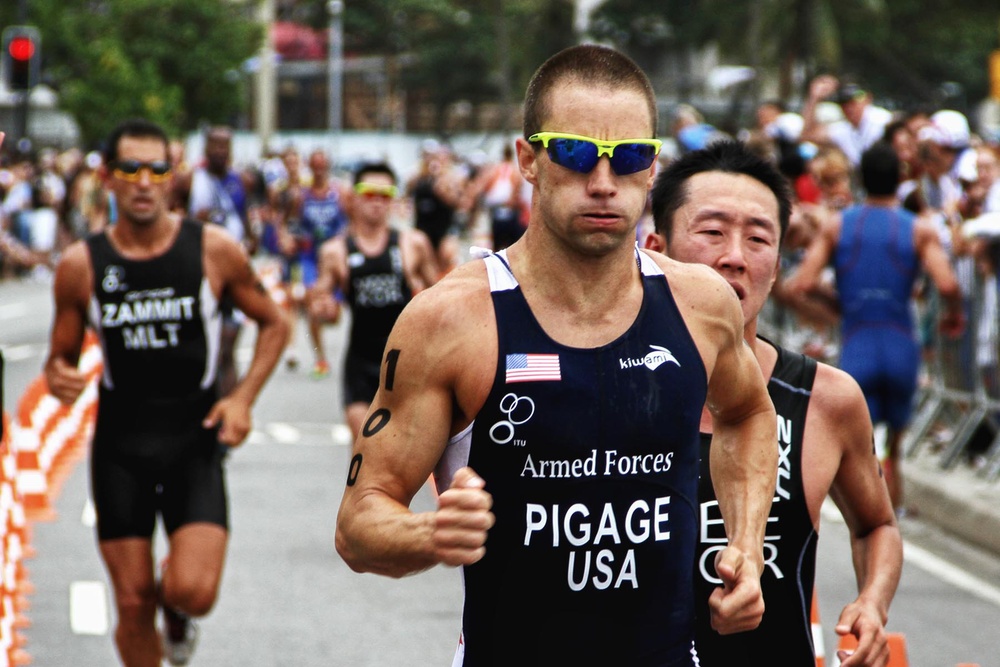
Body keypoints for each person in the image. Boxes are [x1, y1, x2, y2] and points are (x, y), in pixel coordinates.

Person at [336, 44, 778, 666]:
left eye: (628, 158)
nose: (602, 183)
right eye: (574, 153)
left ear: (652, 168)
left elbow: (749, 415)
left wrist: (747, 546)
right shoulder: (453, 320)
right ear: (528, 159)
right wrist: (430, 533)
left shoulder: (700, 304)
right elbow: (359, 523)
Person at [646, 140, 902, 666]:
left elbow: (876, 525)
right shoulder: (601, 381)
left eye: (758, 238)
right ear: (655, 248)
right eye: (712, 232)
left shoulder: (826, 398)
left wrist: (872, 604)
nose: (735, 257)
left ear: (778, 264)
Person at [44, 118, 288, 667]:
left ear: (173, 177)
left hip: (193, 440)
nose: (144, 181)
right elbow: (60, 355)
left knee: (192, 590)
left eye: (158, 168)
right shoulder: (82, 265)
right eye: (130, 168)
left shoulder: (212, 250)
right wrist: (59, 372)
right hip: (121, 445)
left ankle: (176, 615)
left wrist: (243, 398)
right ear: (107, 177)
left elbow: (275, 322)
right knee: (132, 603)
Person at [788, 141, 965, 512]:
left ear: (860, 179)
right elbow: (948, 284)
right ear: (900, 177)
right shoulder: (918, 228)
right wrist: (953, 314)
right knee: (892, 454)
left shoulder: (839, 225)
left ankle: (865, 538)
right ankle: (891, 530)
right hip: (901, 344)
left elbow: (801, 283)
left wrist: (836, 306)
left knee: (858, 456)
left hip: (858, 343)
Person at [311, 162, 437, 440]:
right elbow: (324, 310)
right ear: (353, 197)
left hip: (405, 362)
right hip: (360, 362)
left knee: (401, 453)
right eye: (369, 193)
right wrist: (325, 311)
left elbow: (442, 297)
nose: (377, 202)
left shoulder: (412, 244)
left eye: (385, 194)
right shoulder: (335, 251)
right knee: (362, 444)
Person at [188, 125, 256, 397]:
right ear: (205, 148)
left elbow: (248, 222)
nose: (219, 152)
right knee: (202, 347)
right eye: (214, 146)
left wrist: (249, 243)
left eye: (224, 146)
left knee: (228, 345)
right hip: (199, 270)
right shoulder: (190, 181)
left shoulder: (242, 181)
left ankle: (228, 410)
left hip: (233, 273)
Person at [295, 148, 350, 378]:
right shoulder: (302, 196)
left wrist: (341, 241)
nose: (318, 170)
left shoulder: (339, 194)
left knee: (333, 315)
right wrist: (293, 239)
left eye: (322, 166)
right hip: (309, 260)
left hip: (334, 259)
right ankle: (320, 359)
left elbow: (349, 224)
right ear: (309, 167)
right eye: (314, 166)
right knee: (313, 306)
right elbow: (291, 224)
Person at [801, 76, 892, 168]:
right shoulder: (844, 128)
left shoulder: (882, 120)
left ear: (868, 98)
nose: (849, 108)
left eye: (854, 101)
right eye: (844, 103)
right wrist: (814, 97)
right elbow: (807, 135)